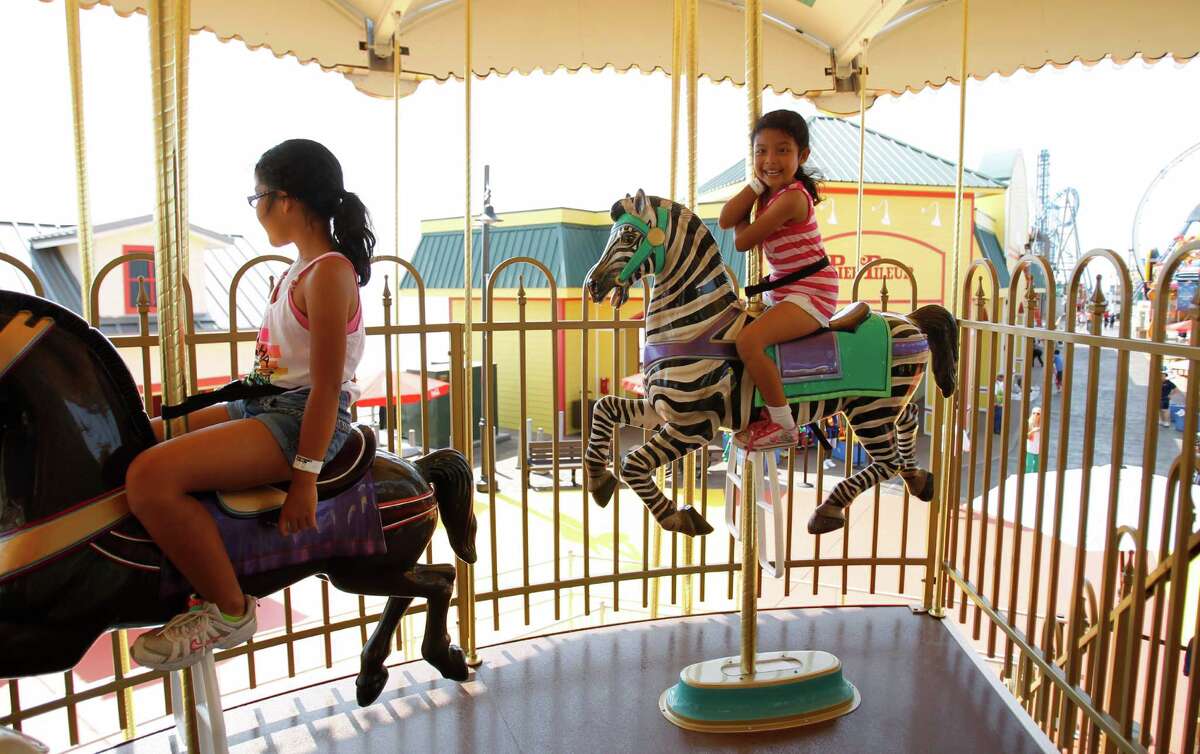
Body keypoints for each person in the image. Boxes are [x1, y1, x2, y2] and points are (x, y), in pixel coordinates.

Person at [125, 139, 373, 670]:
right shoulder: (297, 271)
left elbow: (327, 386)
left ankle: (229, 609)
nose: (257, 209)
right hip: (266, 405)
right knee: (136, 436)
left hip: (301, 419)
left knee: (149, 478)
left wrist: (305, 477)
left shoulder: (329, 272)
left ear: (284, 199)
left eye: (257, 197)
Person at [718, 110, 839, 450]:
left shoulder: (791, 198)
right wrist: (756, 186)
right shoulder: (770, 193)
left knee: (749, 343)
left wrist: (750, 206)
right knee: (735, 332)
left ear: (802, 156)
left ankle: (784, 425)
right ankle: (758, 408)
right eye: (761, 151)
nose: (770, 160)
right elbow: (727, 219)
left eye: (782, 150)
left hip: (811, 293)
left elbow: (741, 241)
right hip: (787, 290)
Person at [1025, 407, 1042, 473]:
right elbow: (1027, 436)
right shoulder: (1029, 423)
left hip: (1038, 448)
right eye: (1034, 413)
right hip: (1030, 448)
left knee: (1036, 467)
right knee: (1028, 466)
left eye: (1038, 413)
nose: (1035, 415)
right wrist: (1033, 431)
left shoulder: (1042, 424)